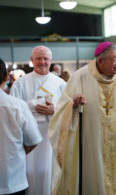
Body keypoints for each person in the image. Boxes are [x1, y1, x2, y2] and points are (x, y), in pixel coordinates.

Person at [48, 42, 116, 195]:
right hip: (92, 145)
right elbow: (62, 108)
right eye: (113, 59)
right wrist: (72, 104)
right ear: (100, 61)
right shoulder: (80, 77)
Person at [10, 46, 66, 195]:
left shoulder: (61, 84)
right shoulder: (20, 84)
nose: (42, 62)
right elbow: (13, 112)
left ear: (51, 60)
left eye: (46, 59)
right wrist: (33, 105)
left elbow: (69, 111)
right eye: (39, 59)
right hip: (28, 142)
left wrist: (55, 110)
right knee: (31, 176)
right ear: (31, 60)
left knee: (50, 176)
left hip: (52, 139)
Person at [0, 58, 42, 195]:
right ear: (6, 76)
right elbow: (33, 140)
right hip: (12, 180)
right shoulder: (18, 106)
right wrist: (14, 152)